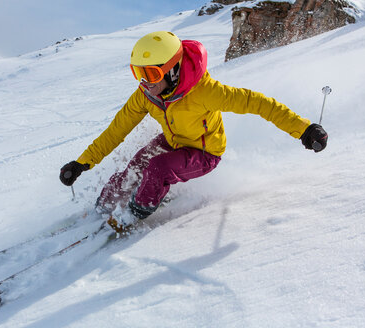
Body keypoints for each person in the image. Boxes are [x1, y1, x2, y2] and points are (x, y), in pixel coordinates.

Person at [59, 31, 328, 231]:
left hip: (205, 152)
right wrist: (82, 163)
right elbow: (115, 131)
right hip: (174, 142)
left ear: (172, 70)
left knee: (157, 168)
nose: (144, 82)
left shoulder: (205, 92)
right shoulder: (145, 95)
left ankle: (135, 213)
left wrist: (304, 130)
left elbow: (258, 103)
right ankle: (103, 206)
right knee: (136, 165)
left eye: (151, 74)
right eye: (137, 73)